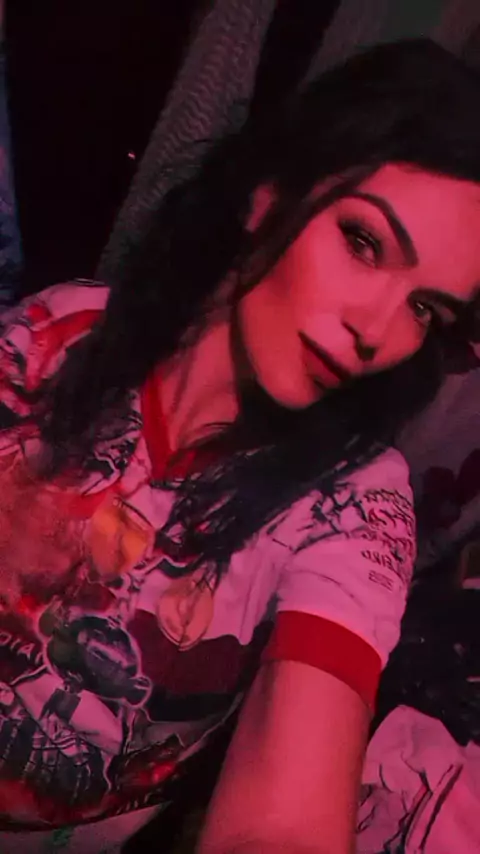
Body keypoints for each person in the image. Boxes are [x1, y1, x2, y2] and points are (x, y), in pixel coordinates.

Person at [1, 38, 480, 854]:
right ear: (270, 192)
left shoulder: (354, 502)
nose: (378, 331)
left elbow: (284, 823)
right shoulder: (62, 332)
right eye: (363, 242)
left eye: (424, 308)